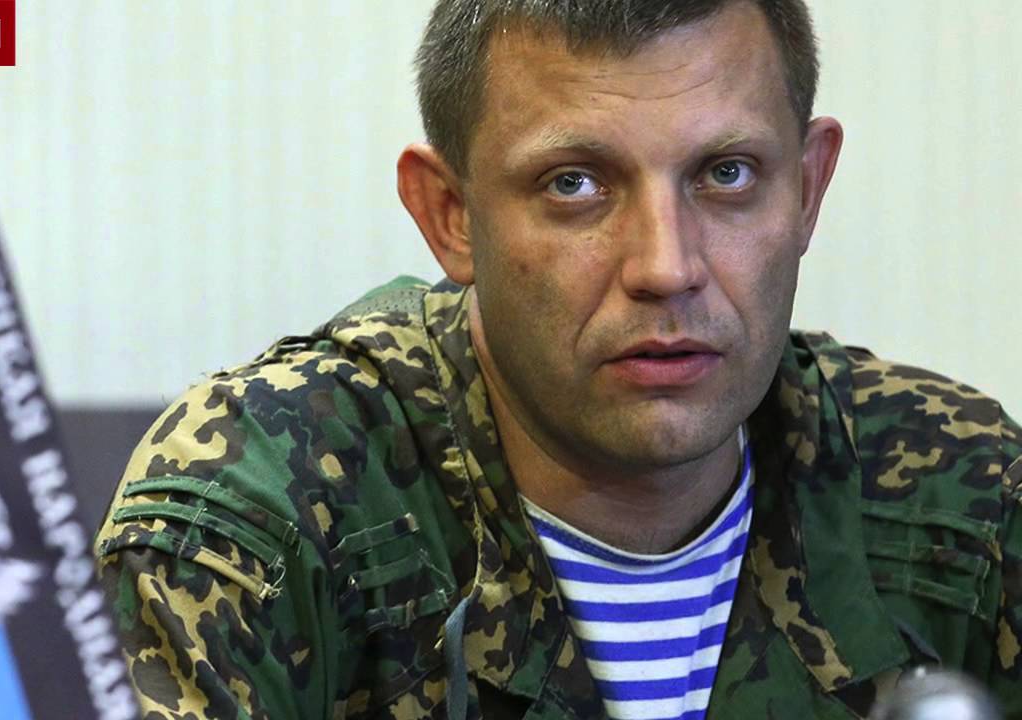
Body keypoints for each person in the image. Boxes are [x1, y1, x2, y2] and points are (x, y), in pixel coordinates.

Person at [94, 0, 1022, 718]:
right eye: (574, 184)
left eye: (726, 174)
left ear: (809, 188)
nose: (666, 267)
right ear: (451, 215)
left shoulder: (962, 497)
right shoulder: (267, 511)